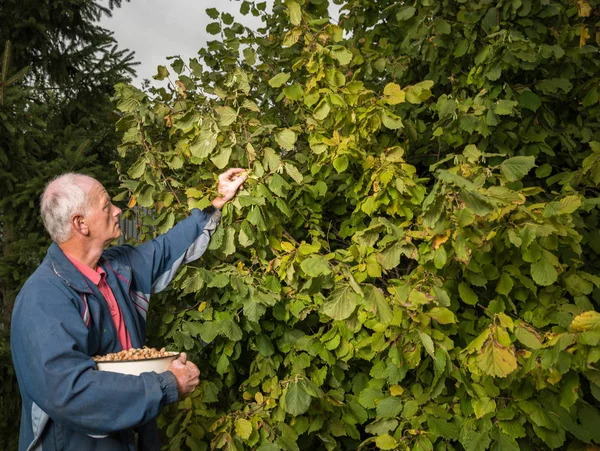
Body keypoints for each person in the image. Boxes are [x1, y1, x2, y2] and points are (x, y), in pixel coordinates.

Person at [10, 168, 247, 451]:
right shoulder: (44, 298)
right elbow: (70, 393)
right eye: (106, 205)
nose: (118, 210)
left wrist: (219, 200)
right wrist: (167, 384)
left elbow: (167, 248)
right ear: (80, 223)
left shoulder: (117, 268)